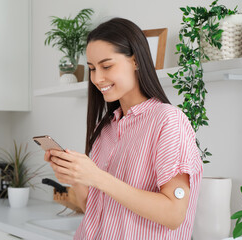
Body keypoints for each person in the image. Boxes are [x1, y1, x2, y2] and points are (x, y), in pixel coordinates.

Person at [44, 17, 203, 240]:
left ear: (136, 61)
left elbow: (174, 214)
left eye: (106, 66)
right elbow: (94, 207)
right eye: (92, 68)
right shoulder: (106, 127)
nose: (97, 78)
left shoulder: (168, 121)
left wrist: (98, 177)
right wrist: (78, 177)